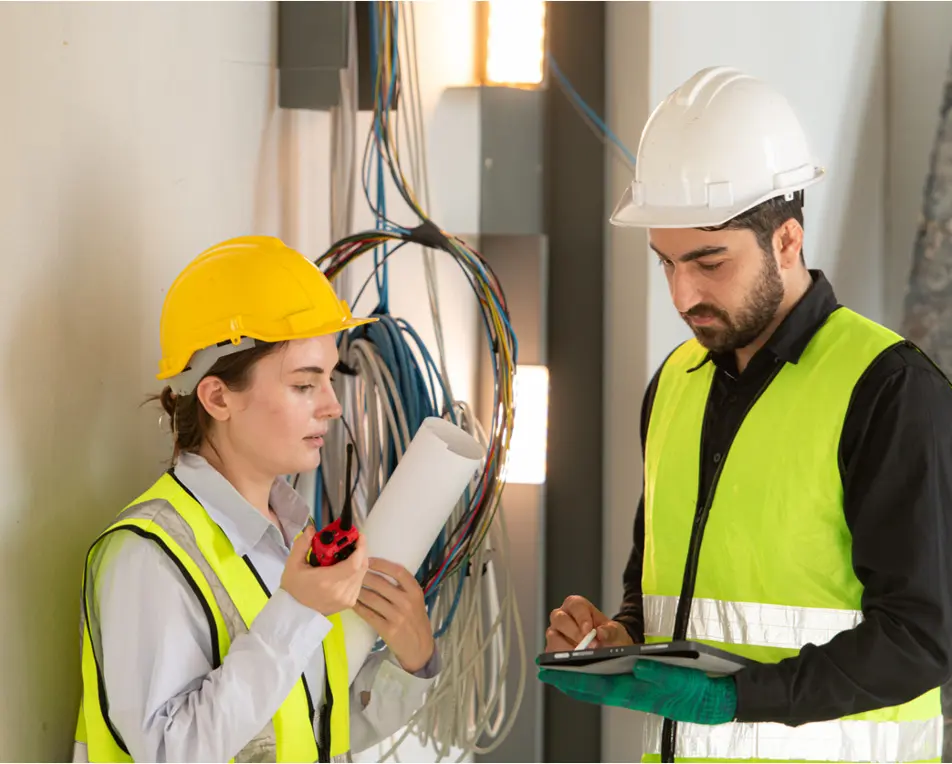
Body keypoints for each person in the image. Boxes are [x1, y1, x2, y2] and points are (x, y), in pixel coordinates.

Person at [540, 66, 952, 762]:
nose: (681, 294)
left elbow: (924, 637)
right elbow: (660, 587)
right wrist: (620, 641)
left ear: (787, 240)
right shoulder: (675, 382)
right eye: (665, 263)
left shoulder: (888, 389)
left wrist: (739, 697)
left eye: (708, 261)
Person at [73, 236, 440, 763]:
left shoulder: (291, 539)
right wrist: (296, 612)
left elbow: (311, 734)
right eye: (304, 385)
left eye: (329, 380)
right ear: (218, 397)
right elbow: (169, 753)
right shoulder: (148, 554)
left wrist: (412, 664)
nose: (333, 407)